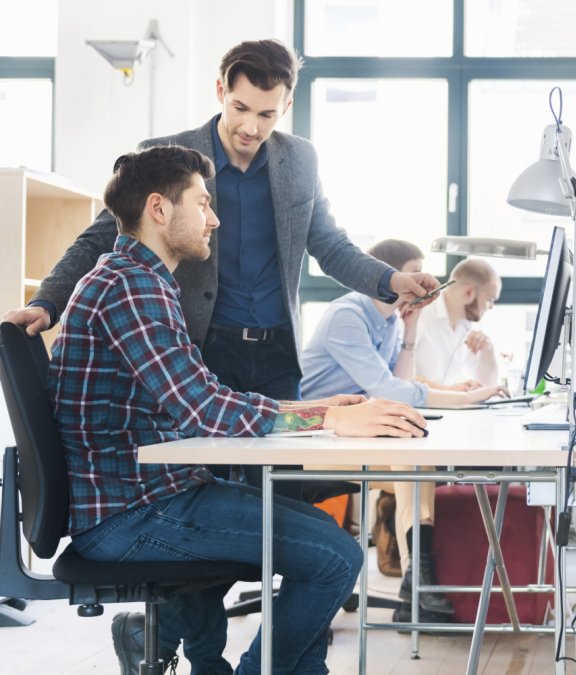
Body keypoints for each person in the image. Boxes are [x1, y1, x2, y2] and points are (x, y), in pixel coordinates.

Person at [52, 146, 429, 675]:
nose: (215, 218)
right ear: (160, 210)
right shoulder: (131, 288)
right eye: (202, 203)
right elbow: (205, 408)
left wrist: (314, 406)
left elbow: (201, 393)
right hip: (131, 513)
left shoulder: (139, 280)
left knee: (323, 544)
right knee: (335, 558)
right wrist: (328, 420)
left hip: (148, 497)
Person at [5, 37, 439, 446]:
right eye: (240, 107)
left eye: (266, 114)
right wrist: (47, 302)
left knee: (278, 489)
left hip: (276, 354)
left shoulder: (300, 160)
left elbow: (330, 244)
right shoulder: (173, 156)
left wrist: (392, 280)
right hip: (201, 348)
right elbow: (100, 236)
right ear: (220, 90)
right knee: (207, 474)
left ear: (286, 106)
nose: (250, 127)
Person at [299, 242, 505, 617]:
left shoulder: (392, 321)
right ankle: (418, 584)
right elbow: (388, 390)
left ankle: (417, 583)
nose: (423, 282)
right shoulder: (347, 315)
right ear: (386, 276)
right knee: (412, 463)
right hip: (314, 439)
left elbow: (401, 384)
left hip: (352, 437)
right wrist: (465, 399)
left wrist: (409, 330)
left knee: (416, 463)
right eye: (413, 271)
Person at [411, 257, 504, 389]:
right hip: (410, 408)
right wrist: (449, 391)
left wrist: (488, 351)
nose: (490, 307)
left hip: (444, 408)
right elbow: (400, 376)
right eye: (490, 299)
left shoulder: (468, 326)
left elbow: (487, 386)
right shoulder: (419, 313)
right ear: (468, 292)